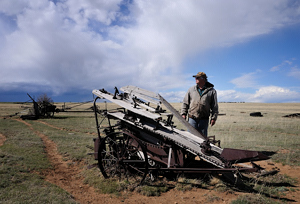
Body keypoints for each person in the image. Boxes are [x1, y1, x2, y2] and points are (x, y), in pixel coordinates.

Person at [181, 72, 218, 136]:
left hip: (204, 119)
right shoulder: (191, 89)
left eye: (197, 77)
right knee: (190, 137)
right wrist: (183, 114)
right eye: (195, 77)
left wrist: (213, 118)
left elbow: (214, 106)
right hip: (192, 118)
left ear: (203, 79)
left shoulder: (212, 91)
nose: (195, 79)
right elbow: (185, 102)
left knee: (202, 139)